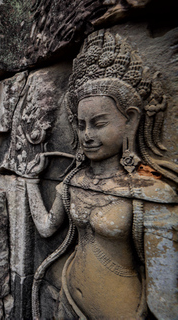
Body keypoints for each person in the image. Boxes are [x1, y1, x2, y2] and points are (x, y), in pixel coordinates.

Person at [26, 30, 178, 319]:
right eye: (81, 125)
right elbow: (46, 228)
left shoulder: (152, 193)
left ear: (130, 121)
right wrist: (31, 183)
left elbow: (165, 300)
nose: (87, 135)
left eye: (98, 123)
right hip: (68, 296)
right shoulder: (75, 180)